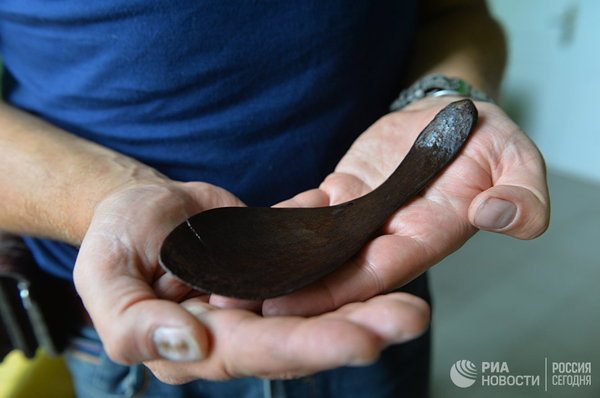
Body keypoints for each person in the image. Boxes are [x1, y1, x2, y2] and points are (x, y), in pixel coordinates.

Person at [0, 0, 549, 397]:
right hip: (135, 317)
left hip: (380, 268)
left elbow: (453, 13)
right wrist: (108, 197)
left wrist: (439, 94)